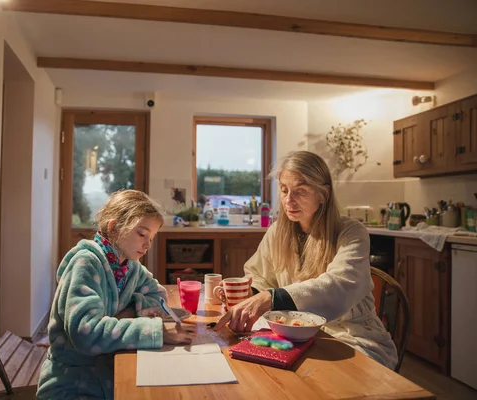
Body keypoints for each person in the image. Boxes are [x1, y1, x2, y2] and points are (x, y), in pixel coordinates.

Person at [214, 151, 398, 370]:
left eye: (300, 191)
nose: (288, 200)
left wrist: (270, 298)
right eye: (284, 190)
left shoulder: (350, 232)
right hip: (294, 333)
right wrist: (247, 294)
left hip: (350, 336)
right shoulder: (277, 232)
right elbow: (262, 277)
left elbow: (339, 284)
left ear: (324, 194)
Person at [37, 190, 196, 399]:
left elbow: (159, 297)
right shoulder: (85, 264)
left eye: (152, 237)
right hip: (72, 384)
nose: (148, 245)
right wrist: (156, 331)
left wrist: (128, 311)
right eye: (142, 234)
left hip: (107, 376)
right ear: (114, 228)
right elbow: (85, 333)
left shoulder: (129, 266)